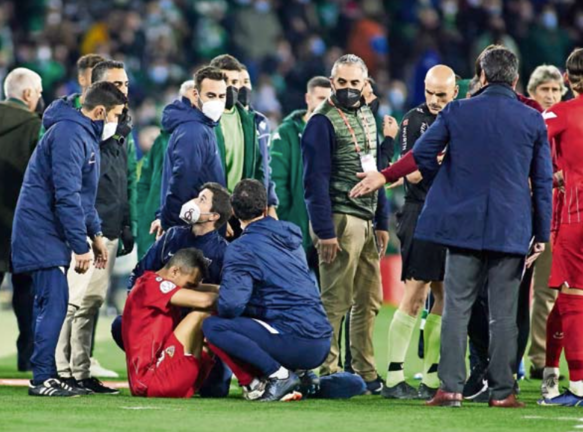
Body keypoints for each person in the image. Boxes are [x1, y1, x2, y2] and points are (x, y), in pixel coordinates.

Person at [351, 47, 552, 408]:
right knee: (504, 316)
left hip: (462, 228)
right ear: (516, 79)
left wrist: (386, 175)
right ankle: (503, 392)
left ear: (483, 77)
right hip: (511, 229)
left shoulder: (458, 111)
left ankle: (450, 389)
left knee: (456, 308)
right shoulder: (532, 119)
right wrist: (541, 234)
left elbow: (420, 154)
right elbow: (540, 181)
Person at [11, 81, 128, 397]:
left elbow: (84, 199)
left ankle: (48, 375)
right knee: (55, 301)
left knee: (55, 302)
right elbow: (66, 196)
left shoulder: (82, 135)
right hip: (41, 230)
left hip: (49, 230)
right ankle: (43, 378)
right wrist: (81, 246)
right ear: (100, 111)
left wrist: (97, 235)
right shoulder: (69, 134)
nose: (118, 121)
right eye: (116, 114)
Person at [301, 54, 390, 394]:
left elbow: (375, 172)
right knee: (335, 300)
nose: (349, 89)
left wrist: (380, 220)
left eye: (355, 83)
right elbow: (314, 182)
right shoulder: (321, 123)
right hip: (339, 217)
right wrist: (324, 231)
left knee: (369, 300)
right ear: (332, 82)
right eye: (342, 83)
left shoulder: (367, 114)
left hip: (365, 218)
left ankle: (365, 371)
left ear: (365, 84)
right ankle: (325, 371)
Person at [203, 179, 333, 402]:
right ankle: (303, 375)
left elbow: (230, 306)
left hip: (295, 339)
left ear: (233, 211)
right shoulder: (291, 238)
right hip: (321, 338)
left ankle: (279, 375)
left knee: (213, 326)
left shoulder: (241, 248)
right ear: (265, 208)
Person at [54, 60, 136, 394]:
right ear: (97, 88)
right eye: (117, 84)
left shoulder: (118, 131)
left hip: (109, 230)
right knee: (72, 302)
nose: (124, 90)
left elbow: (123, 182)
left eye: (126, 84)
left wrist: (126, 223)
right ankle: (63, 372)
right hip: (86, 231)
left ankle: (81, 371)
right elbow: (73, 189)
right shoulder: (80, 130)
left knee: (91, 303)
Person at [383, 65, 458, 401]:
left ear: (454, 92)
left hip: (451, 217)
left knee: (444, 295)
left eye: (441, 94)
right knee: (415, 295)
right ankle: (394, 375)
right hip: (420, 213)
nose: (434, 100)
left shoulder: (460, 119)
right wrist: (447, 167)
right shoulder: (414, 120)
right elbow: (411, 173)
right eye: (429, 93)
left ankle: (430, 376)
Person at [539, 48, 583, 407]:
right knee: (568, 301)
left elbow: (525, 138)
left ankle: (579, 386)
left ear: (566, 80)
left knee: (572, 300)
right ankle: (551, 374)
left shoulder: (561, 113)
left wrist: (550, 177)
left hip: (573, 215)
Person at [122, 248, 217, 398]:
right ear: (174, 271)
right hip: (150, 381)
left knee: (211, 323)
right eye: (189, 285)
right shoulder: (150, 285)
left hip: (165, 374)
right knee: (200, 313)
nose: (191, 290)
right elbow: (206, 300)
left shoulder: (165, 284)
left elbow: (211, 290)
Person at [0, 68, 43, 372]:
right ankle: (27, 356)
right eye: (38, 93)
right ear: (28, 94)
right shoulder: (34, 128)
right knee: (26, 294)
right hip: (19, 224)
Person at [525, 64, 567, 379]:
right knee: (542, 293)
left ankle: (546, 359)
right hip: (533, 219)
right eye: (545, 90)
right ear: (532, 93)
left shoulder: (567, 123)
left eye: (555, 90)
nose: (550, 95)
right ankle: (536, 360)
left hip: (565, 218)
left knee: (559, 294)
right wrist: (556, 178)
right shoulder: (529, 125)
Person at [153, 66, 227, 235]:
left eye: (221, 96)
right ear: (195, 95)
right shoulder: (194, 132)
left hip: (197, 227)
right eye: (211, 95)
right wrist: (168, 222)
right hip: (192, 231)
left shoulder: (203, 126)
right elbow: (182, 181)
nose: (217, 102)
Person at [270, 76, 332, 260]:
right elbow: (277, 182)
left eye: (329, 100)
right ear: (308, 98)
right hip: (295, 230)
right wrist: (289, 222)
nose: (325, 105)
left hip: (328, 231)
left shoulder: (336, 134)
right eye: (321, 99)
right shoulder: (286, 133)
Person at [208, 55, 270, 225]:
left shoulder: (248, 120)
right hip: (214, 214)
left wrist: (259, 207)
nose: (230, 87)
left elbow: (259, 167)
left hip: (243, 213)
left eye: (235, 82)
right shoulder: (204, 120)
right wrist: (219, 210)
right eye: (225, 80)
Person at [136, 80, 194, 259]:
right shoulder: (163, 139)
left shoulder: (206, 136)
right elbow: (144, 181)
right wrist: (142, 214)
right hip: (153, 224)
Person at [238, 65, 279, 212]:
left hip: (258, 207)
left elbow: (266, 167)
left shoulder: (261, 122)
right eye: (237, 82)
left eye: (246, 81)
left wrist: (271, 202)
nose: (243, 87)